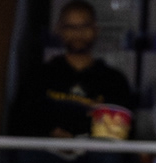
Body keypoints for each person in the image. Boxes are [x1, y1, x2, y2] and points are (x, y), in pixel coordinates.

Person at [13, 1, 137, 148]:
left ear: (96, 30)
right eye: (70, 27)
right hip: (46, 153)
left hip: (96, 155)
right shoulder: (39, 76)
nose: (78, 33)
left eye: (84, 26)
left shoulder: (114, 80)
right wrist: (51, 134)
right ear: (59, 30)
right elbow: (20, 122)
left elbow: (124, 133)